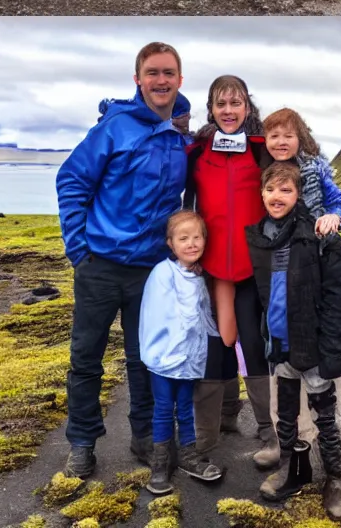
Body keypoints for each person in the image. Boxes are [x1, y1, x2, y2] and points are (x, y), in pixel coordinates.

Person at [57, 42, 192, 479]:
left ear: (179, 80)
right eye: (152, 73)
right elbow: (72, 180)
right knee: (86, 358)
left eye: (168, 73)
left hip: (150, 270)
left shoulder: (180, 135)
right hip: (100, 265)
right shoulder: (114, 128)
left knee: (144, 359)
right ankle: (82, 443)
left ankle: (145, 438)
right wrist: (80, 250)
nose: (161, 81)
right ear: (138, 79)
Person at [244, 160, 341, 519]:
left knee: (324, 418)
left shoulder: (320, 236)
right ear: (261, 193)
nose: (277, 196)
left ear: (298, 193)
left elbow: (338, 298)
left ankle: (335, 478)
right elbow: (265, 295)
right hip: (279, 344)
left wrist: (335, 350)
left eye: (286, 190)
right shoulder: (260, 236)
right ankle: (293, 470)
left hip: (314, 345)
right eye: (271, 189)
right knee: (287, 416)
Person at [185, 77, 275, 465]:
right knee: (216, 343)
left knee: (253, 344)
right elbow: (183, 201)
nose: (228, 110)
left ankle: (270, 432)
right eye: (221, 103)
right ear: (211, 109)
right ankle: (216, 425)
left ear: (247, 109)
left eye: (235, 103)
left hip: (253, 266)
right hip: (211, 267)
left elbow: (292, 192)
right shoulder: (196, 152)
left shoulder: (261, 152)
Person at [138, 209, 223, 494]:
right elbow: (162, 316)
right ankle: (160, 464)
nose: (191, 244)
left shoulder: (197, 275)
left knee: (186, 409)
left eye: (197, 237)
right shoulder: (163, 273)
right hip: (164, 359)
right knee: (163, 409)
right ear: (170, 243)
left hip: (189, 359)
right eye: (183, 238)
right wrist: (165, 355)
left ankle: (188, 456)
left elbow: (202, 317)